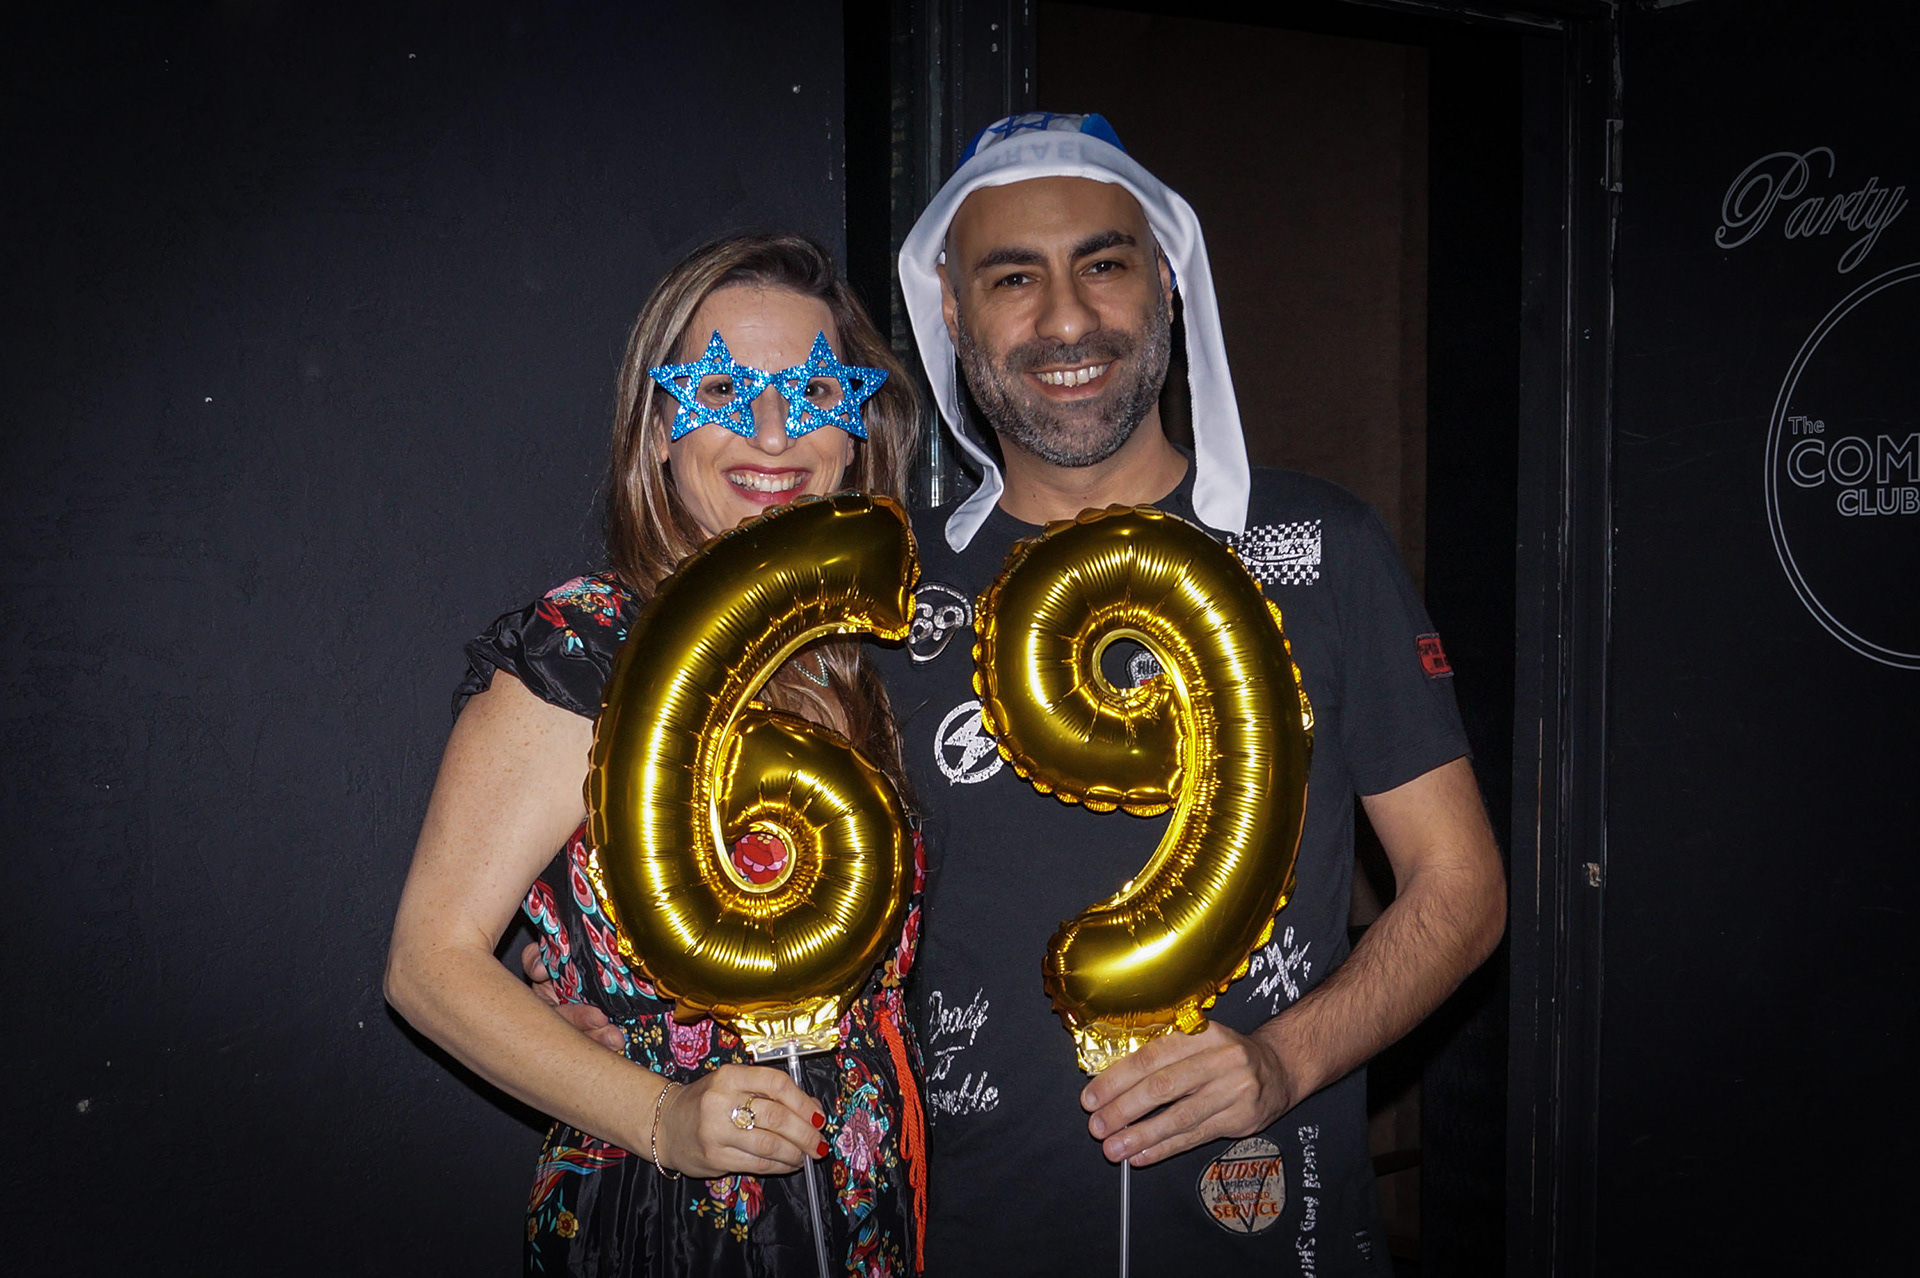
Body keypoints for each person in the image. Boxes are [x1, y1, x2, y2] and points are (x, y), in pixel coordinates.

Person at [876, 112, 1507, 1273]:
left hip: (1274, 1228)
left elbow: (1460, 890)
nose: (1067, 318)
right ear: (953, 316)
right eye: (1013, 278)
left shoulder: (1323, 545)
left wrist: (1285, 1061)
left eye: (1104, 264)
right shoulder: (887, 591)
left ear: (1166, 283)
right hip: (970, 1236)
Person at [385, 233, 928, 1277]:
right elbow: (428, 964)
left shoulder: (859, 663)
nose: (773, 431)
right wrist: (663, 1117)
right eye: (722, 387)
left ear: (858, 429)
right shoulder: (589, 651)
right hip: (678, 1218)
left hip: (868, 1200)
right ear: (657, 430)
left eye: (815, 390)